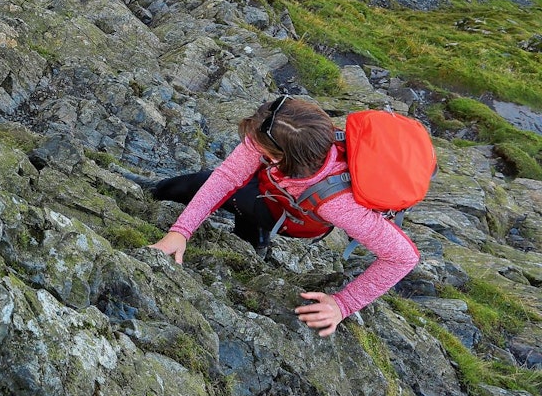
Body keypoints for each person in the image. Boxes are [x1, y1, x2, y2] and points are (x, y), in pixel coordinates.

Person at [146, 95, 420, 337]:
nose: (249, 144)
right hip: (283, 191)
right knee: (233, 188)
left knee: (207, 187)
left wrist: (343, 304)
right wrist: (180, 231)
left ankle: (156, 192)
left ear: (279, 158)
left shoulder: (338, 205)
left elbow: (403, 257)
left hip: (292, 217)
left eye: (259, 146)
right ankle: (255, 239)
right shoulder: (307, 138)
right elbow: (229, 175)